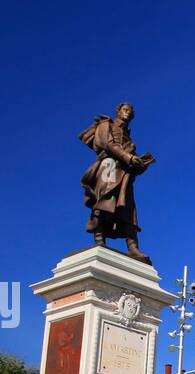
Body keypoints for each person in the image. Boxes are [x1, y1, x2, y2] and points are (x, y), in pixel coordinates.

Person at [80, 102, 155, 263]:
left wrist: (140, 163)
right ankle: (99, 237)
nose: (128, 113)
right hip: (109, 166)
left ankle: (132, 246)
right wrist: (128, 157)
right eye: (125, 110)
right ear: (118, 111)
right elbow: (106, 144)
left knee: (128, 206)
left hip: (125, 173)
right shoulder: (106, 124)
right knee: (104, 200)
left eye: (130, 111)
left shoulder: (128, 135)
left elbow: (130, 159)